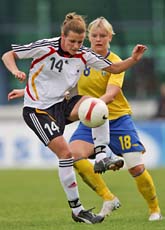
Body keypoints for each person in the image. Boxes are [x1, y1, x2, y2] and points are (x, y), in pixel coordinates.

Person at [2, 12, 147, 223]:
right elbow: (8, 54)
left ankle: (101, 156)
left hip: (61, 104)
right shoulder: (46, 47)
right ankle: (77, 210)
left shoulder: (83, 54)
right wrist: (16, 72)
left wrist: (133, 59)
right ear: (62, 36)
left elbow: (114, 67)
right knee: (66, 154)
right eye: (72, 41)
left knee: (96, 105)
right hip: (37, 110)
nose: (76, 46)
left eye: (80, 42)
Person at [68, 17, 161, 221]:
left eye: (103, 35)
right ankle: (109, 198)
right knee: (72, 156)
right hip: (92, 120)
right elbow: (65, 87)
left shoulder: (115, 62)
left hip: (118, 119)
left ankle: (155, 210)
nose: (98, 39)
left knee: (135, 167)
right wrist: (29, 92)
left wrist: (90, 108)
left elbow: (111, 94)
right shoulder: (79, 59)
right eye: (94, 35)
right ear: (88, 37)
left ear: (110, 37)